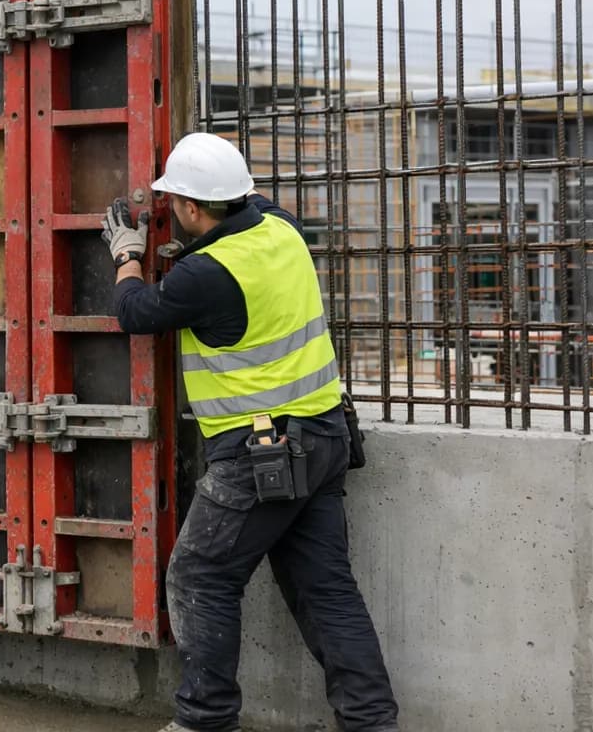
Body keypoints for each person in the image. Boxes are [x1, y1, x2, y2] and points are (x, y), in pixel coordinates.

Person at [101, 132, 398, 732]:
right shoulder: (284, 229)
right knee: (328, 593)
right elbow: (255, 210)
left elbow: (136, 314)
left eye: (175, 204)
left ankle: (205, 721)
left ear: (189, 207)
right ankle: (373, 724)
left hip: (260, 454)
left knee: (200, 575)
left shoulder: (206, 275)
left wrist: (128, 256)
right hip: (326, 437)